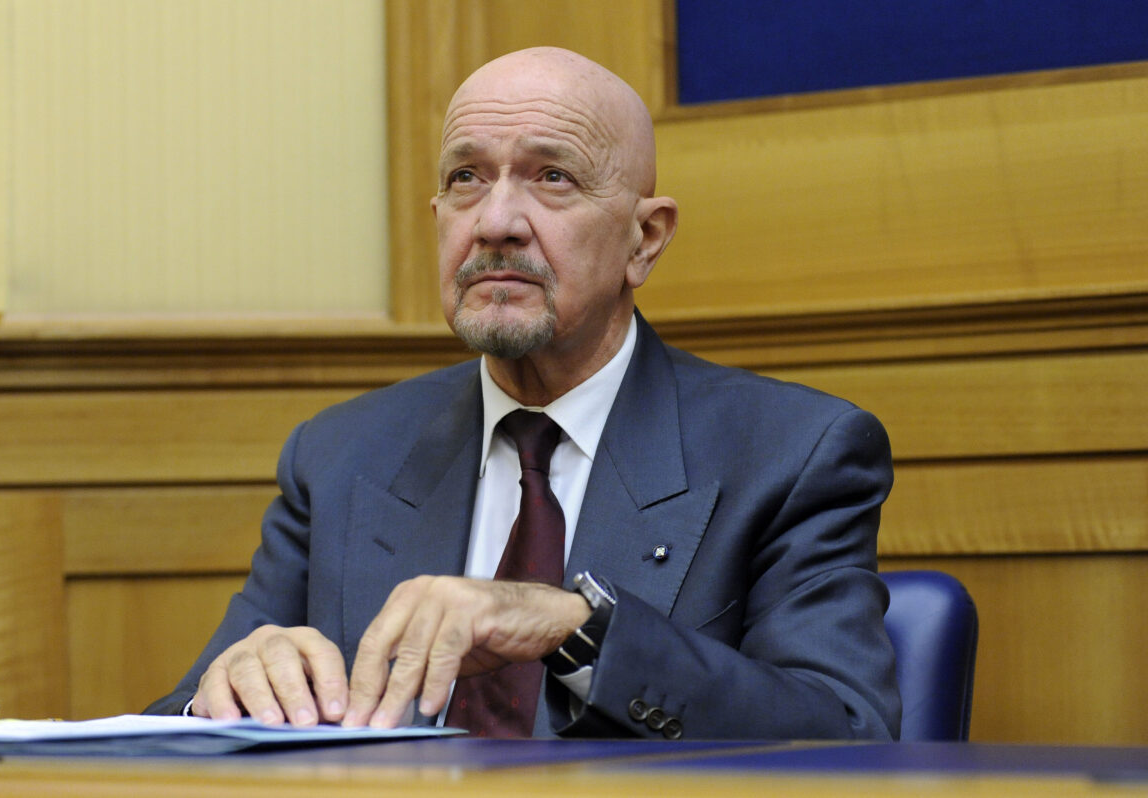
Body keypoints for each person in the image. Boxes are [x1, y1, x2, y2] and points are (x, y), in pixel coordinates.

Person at [146, 46, 901, 740]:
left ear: (644, 240)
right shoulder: (342, 455)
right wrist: (221, 695)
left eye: (552, 177)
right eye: (465, 179)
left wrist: (578, 630)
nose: (496, 221)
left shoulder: (791, 454)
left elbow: (849, 734)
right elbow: (169, 724)